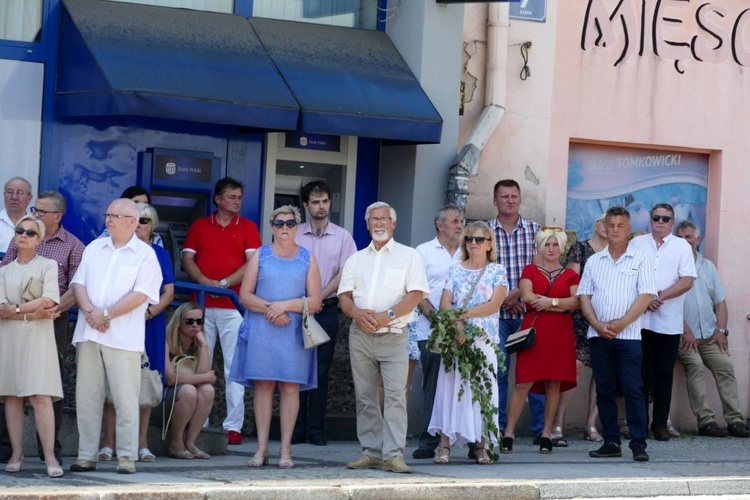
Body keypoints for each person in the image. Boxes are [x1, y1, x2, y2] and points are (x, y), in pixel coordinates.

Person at [69, 198, 162, 475]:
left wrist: (105, 314)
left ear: (132, 222)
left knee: (125, 399)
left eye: (115, 215)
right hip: (89, 333)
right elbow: (78, 283)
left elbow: (142, 295)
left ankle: (126, 457)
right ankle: (86, 456)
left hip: (123, 337)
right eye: (107, 214)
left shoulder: (145, 255)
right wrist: (90, 311)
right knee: (87, 397)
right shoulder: (95, 247)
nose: (108, 219)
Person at [339, 202, 429, 474]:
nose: (379, 223)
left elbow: (416, 295)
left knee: (395, 397)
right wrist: (355, 312)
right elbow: (344, 296)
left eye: (384, 219)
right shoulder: (356, 259)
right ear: (367, 225)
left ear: (393, 224)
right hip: (361, 335)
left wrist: (387, 315)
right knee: (365, 396)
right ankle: (371, 451)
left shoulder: (409, 256)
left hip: (394, 335)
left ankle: (393, 455)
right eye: (373, 219)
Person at [229, 205, 321, 469]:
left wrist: (285, 306)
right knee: (264, 386)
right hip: (263, 328)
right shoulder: (260, 255)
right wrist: (272, 310)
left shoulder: (308, 258)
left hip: (293, 331)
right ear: (271, 227)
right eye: (279, 223)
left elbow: (315, 302)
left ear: (297, 227)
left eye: (290, 223)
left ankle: (286, 450)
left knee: (291, 387)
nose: (284, 228)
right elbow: (245, 295)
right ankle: (261, 448)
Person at [0, 191, 84, 465]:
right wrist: (23, 311)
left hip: (53, 321)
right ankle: (12, 450)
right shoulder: (15, 250)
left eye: (41, 212)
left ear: (57, 216)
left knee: (44, 388)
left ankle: (50, 452)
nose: (35, 216)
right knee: (11, 391)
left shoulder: (73, 245)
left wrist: (52, 310)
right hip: (14, 326)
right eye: (34, 210)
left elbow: (75, 287)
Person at [181, 177, 262, 445]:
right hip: (201, 307)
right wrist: (204, 281)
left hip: (233, 306)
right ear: (217, 199)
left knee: (233, 367)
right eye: (231, 197)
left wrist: (225, 284)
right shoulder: (200, 225)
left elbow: (253, 264)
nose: (236, 202)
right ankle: (197, 423)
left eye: (239, 197)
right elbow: (187, 258)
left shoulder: (248, 227)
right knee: (197, 363)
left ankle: (233, 427)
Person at [98, 202, 175, 462]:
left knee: (143, 382)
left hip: (149, 325)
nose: (139, 225)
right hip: (117, 323)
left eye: (145, 221)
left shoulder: (159, 254)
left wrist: (148, 313)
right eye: (136, 219)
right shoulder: (113, 249)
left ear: (152, 226)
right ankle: (108, 444)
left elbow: (168, 292)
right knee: (113, 382)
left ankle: (141, 444)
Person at [578, 206, 656, 462]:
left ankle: (638, 443)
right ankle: (611, 441)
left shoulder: (641, 259)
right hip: (599, 336)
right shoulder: (593, 260)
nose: (614, 230)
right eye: (610, 225)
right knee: (604, 390)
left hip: (629, 336)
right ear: (604, 227)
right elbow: (585, 297)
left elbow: (645, 295)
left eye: (620, 226)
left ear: (628, 229)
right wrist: (598, 325)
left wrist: (621, 323)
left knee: (633, 389)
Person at [427, 221, 508, 465]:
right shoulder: (455, 269)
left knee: (483, 391)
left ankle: (481, 446)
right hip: (457, 339)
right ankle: (444, 446)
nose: (473, 243)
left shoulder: (497, 271)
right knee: (450, 390)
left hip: (483, 341)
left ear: (489, 244)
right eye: (469, 239)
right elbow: (444, 303)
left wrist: (462, 315)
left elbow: (494, 305)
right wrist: (458, 327)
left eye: (479, 239)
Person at [502, 227, 579, 454]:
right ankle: (509, 432)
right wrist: (559, 304)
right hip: (534, 331)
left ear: (562, 248)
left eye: (555, 245)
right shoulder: (530, 270)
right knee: (522, 382)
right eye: (547, 244)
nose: (551, 249)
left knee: (553, 382)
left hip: (560, 333)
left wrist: (550, 303)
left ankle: (546, 432)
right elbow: (527, 296)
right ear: (540, 246)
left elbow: (576, 302)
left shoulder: (571, 275)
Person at [292, 181, 357, 446]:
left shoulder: (343, 237)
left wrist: (319, 297)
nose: (321, 206)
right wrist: (308, 300)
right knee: (295, 369)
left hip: (327, 309)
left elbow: (346, 273)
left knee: (321, 370)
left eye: (325, 201)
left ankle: (316, 428)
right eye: (316, 202)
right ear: (306, 205)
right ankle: (296, 428)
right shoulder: (293, 233)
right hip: (297, 309)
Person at [0, 215, 63, 477]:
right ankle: (17, 453)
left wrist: (14, 309)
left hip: (39, 338)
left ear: (40, 239)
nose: (24, 235)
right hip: (11, 337)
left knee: (40, 395)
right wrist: (28, 311)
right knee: (13, 396)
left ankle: (50, 458)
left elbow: (48, 301)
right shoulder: (3, 271)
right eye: (20, 230)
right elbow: (0, 310)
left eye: (30, 232)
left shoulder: (49, 265)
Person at [675, 220, 750, 438]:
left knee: (725, 364)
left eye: (689, 237)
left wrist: (722, 331)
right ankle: (705, 421)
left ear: (697, 239)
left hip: (708, 336)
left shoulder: (707, 266)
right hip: (682, 337)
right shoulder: (672, 266)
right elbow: (668, 304)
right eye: (680, 237)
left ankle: (735, 421)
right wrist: (685, 330)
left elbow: (720, 302)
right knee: (696, 366)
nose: (685, 241)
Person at [630, 203, 696, 441]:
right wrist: (645, 298)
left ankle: (659, 425)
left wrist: (661, 296)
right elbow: (629, 275)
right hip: (640, 320)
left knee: (664, 375)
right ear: (650, 219)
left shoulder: (681, 247)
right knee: (640, 374)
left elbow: (688, 280)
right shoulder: (637, 244)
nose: (660, 222)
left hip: (668, 321)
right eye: (656, 218)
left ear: (672, 222)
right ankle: (639, 425)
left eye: (665, 219)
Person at [486, 179, 545, 446]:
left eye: (514, 196)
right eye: (504, 196)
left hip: (527, 314)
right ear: (495, 200)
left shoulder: (536, 231)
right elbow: (477, 271)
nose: (509, 200)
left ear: (520, 199)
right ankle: (497, 428)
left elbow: (543, 270)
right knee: (497, 371)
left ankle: (540, 428)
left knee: (532, 372)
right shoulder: (483, 232)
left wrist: (518, 293)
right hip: (494, 316)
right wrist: (501, 299)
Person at [411, 204, 464, 459]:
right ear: (440, 225)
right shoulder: (423, 252)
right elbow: (417, 292)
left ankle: (468, 441)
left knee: (462, 385)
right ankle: (429, 440)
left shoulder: (469, 251)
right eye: (454, 221)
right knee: (434, 384)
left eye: (461, 220)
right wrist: (439, 320)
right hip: (430, 330)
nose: (460, 225)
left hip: (464, 329)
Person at [552, 214, 607, 445]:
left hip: (609, 318)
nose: (609, 228)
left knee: (603, 374)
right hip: (581, 317)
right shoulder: (581, 249)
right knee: (574, 369)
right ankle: (558, 423)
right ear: (596, 225)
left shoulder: (620, 253)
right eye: (605, 222)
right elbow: (571, 282)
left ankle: (591, 424)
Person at [163, 303, 217, 459]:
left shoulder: (199, 344)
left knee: (207, 390)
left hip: (185, 400)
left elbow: (203, 379)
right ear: (179, 323)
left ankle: (191, 443)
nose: (195, 325)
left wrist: (204, 346)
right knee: (189, 390)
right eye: (189, 321)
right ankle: (176, 443)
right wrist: (205, 378)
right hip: (160, 400)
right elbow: (170, 378)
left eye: (199, 321)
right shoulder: (166, 339)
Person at [0, 177, 33, 252]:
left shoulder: (36, 224)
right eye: (10, 192)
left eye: (20, 193)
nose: (14, 197)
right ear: (4, 195)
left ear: (29, 198)